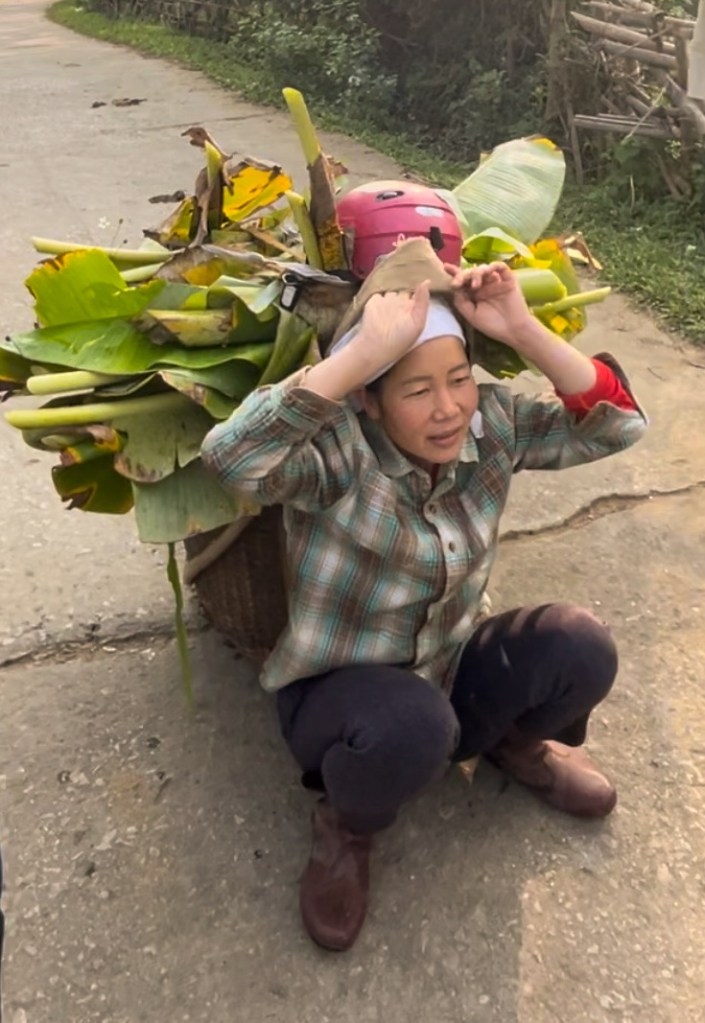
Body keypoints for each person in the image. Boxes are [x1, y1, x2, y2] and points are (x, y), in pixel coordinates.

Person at [201, 249, 647, 952]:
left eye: (458, 379)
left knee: (579, 645)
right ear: (369, 400)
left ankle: (513, 744)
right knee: (411, 725)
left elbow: (618, 426)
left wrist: (521, 328)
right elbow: (231, 458)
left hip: (449, 666)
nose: (447, 409)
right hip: (342, 698)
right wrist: (356, 357)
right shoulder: (338, 453)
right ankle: (347, 825)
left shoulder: (491, 427)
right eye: (415, 390)